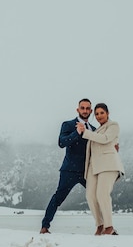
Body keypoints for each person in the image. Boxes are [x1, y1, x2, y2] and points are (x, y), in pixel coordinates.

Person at [40, 99, 96, 234]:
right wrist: (77, 133)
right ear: (78, 110)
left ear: (91, 111)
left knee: (98, 196)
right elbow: (61, 143)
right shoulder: (68, 125)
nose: (85, 110)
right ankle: (44, 227)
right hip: (69, 170)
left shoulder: (94, 130)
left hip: (86, 172)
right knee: (58, 198)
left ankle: (105, 227)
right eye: (82, 108)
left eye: (87, 108)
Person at [77, 102, 125, 235]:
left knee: (102, 194)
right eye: (96, 114)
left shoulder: (113, 125)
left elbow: (105, 139)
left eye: (102, 113)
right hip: (94, 166)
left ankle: (109, 227)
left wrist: (85, 132)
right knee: (90, 195)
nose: (99, 116)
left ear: (108, 113)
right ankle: (100, 225)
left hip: (108, 164)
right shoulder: (96, 130)